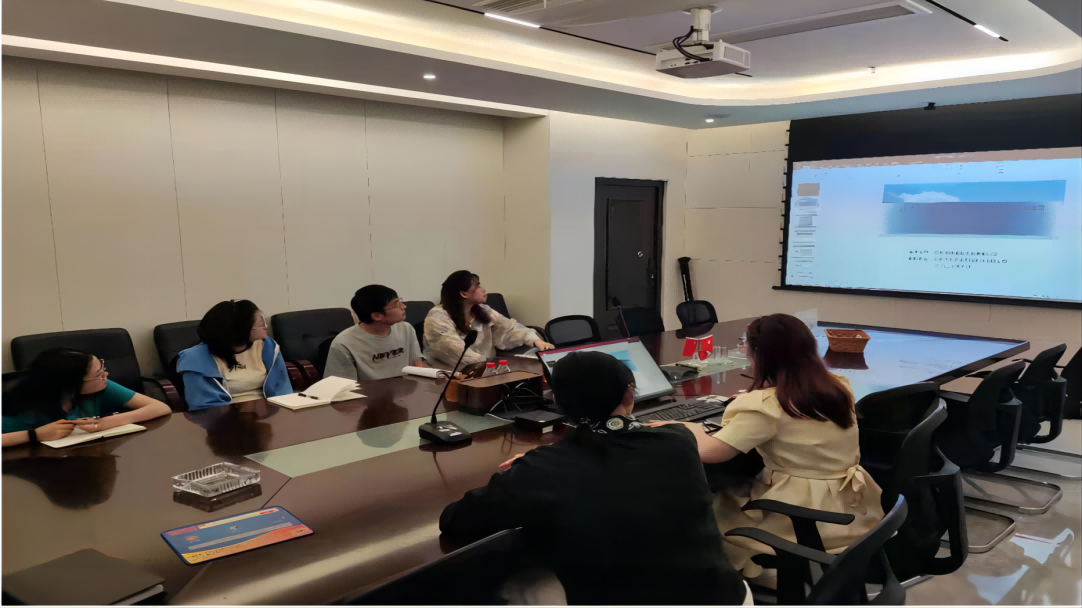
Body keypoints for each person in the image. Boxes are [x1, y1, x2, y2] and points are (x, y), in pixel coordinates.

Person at [439, 351, 749, 605]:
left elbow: (455, 519)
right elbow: (619, 451)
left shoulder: (542, 469)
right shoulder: (679, 441)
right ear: (629, 394)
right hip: (725, 597)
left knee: (517, 584)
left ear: (559, 404)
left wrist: (533, 466)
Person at [649, 313, 885, 580]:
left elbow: (712, 452)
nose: (743, 349)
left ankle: (731, 579)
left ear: (758, 354)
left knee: (710, 506)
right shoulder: (837, 385)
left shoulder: (765, 406)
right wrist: (761, 392)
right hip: (852, 503)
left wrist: (682, 426)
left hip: (804, 514)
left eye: (744, 344)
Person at [2, 348, 172, 447]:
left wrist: (105, 423)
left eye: (102, 368)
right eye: (98, 374)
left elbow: (160, 408)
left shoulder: (102, 387)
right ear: (70, 384)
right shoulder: (26, 409)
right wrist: (34, 435)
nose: (105, 375)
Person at [177, 299, 292, 410]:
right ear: (240, 330)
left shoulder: (268, 346)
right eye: (260, 325)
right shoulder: (194, 359)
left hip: (268, 410)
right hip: (224, 415)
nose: (266, 327)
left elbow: (282, 389)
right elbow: (204, 405)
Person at [424, 271, 553, 368]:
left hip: (488, 370)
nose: (483, 289)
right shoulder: (437, 316)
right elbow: (459, 354)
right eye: (478, 286)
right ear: (463, 293)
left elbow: (510, 329)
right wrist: (497, 366)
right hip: (453, 376)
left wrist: (536, 341)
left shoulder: (483, 310)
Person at [323, 285, 428, 382]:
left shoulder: (406, 328)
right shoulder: (344, 343)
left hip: (406, 392)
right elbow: (340, 386)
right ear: (377, 316)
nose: (404, 306)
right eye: (397, 304)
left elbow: (417, 364)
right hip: (367, 395)